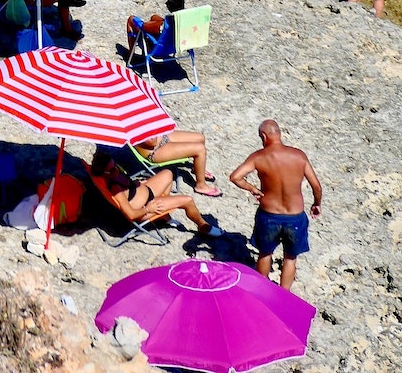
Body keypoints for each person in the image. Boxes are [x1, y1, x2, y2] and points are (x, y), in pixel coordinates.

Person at [229, 120, 322, 292]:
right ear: (280, 134)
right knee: (290, 257)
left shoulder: (258, 157)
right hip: (295, 217)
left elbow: (235, 177)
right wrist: (316, 204)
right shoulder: (298, 156)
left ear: (263, 136)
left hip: (269, 215)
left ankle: (262, 290)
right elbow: (316, 186)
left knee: (265, 254)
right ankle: (283, 294)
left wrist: (252, 189)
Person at [91, 151, 223, 238]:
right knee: (187, 200)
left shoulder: (113, 176)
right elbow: (131, 214)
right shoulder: (116, 189)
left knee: (168, 173)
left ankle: (164, 216)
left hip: (145, 192)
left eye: (115, 166)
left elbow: (129, 188)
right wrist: (148, 209)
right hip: (146, 208)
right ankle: (203, 226)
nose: (116, 169)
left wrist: (137, 184)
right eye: (112, 169)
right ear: (105, 174)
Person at [135, 124, 222, 198]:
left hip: (161, 136)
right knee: (200, 149)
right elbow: (152, 142)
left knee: (200, 138)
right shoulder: (132, 123)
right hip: (155, 150)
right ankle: (201, 186)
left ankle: (198, 168)